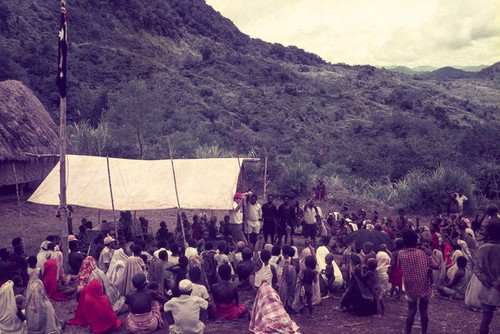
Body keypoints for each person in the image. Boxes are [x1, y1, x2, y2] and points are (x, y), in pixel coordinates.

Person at [399, 230, 438, 334]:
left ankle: (407, 332)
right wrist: (430, 254)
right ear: (417, 240)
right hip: (424, 286)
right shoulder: (423, 253)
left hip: (410, 287)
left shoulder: (401, 254)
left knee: (411, 311)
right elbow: (436, 265)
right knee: (423, 311)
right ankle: (424, 332)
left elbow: (399, 266)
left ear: (404, 242)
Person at [474, 221, 500, 334]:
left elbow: (477, 270)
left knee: (486, 320)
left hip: (487, 289)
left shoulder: (482, 249)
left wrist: (490, 282)